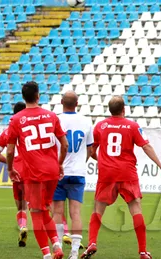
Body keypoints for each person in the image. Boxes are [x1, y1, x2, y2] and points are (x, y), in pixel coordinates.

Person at [81, 96, 161, 259]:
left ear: (110, 110)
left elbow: (92, 150)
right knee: (135, 208)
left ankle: (92, 242)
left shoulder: (100, 126)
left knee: (98, 209)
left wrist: (101, 161)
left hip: (106, 173)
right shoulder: (132, 126)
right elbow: (146, 146)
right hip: (127, 172)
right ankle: (143, 251)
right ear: (124, 109)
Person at [7, 81, 69, 259]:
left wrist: (11, 169)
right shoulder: (51, 116)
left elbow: (10, 150)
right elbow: (64, 144)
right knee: (44, 209)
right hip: (52, 171)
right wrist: (59, 164)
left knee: (35, 212)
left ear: (23, 97)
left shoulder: (17, 119)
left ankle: (47, 255)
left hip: (33, 172)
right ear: (38, 96)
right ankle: (56, 245)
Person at [52, 91, 92, 259]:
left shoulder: (55, 119)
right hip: (77, 172)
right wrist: (81, 162)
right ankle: (74, 252)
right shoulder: (86, 121)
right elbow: (90, 149)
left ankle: (58, 248)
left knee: (57, 213)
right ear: (77, 104)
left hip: (58, 172)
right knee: (75, 213)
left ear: (61, 102)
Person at [0, 102, 28, 247]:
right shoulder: (30, 129)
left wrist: (12, 164)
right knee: (39, 205)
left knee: (20, 207)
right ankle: (58, 234)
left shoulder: (7, 131)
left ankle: (22, 226)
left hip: (16, 172)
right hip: (32, 171)